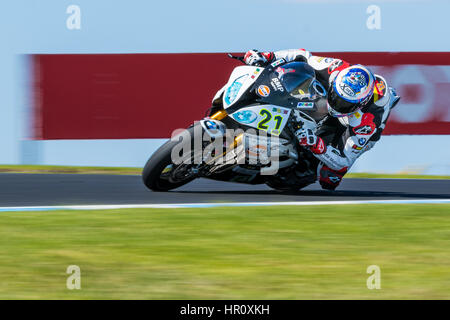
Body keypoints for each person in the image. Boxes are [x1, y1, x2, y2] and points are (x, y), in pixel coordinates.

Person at [243, 49, 400, 190]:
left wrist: (317, 145)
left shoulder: (367, 121)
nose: (338, 104)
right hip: (330, 98)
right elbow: (303, 55)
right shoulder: (336, 68)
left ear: (360, 104)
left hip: (352, 126)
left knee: (329, 178)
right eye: (336, 97)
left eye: (344, 103)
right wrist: (268, 56)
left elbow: (344, 159)